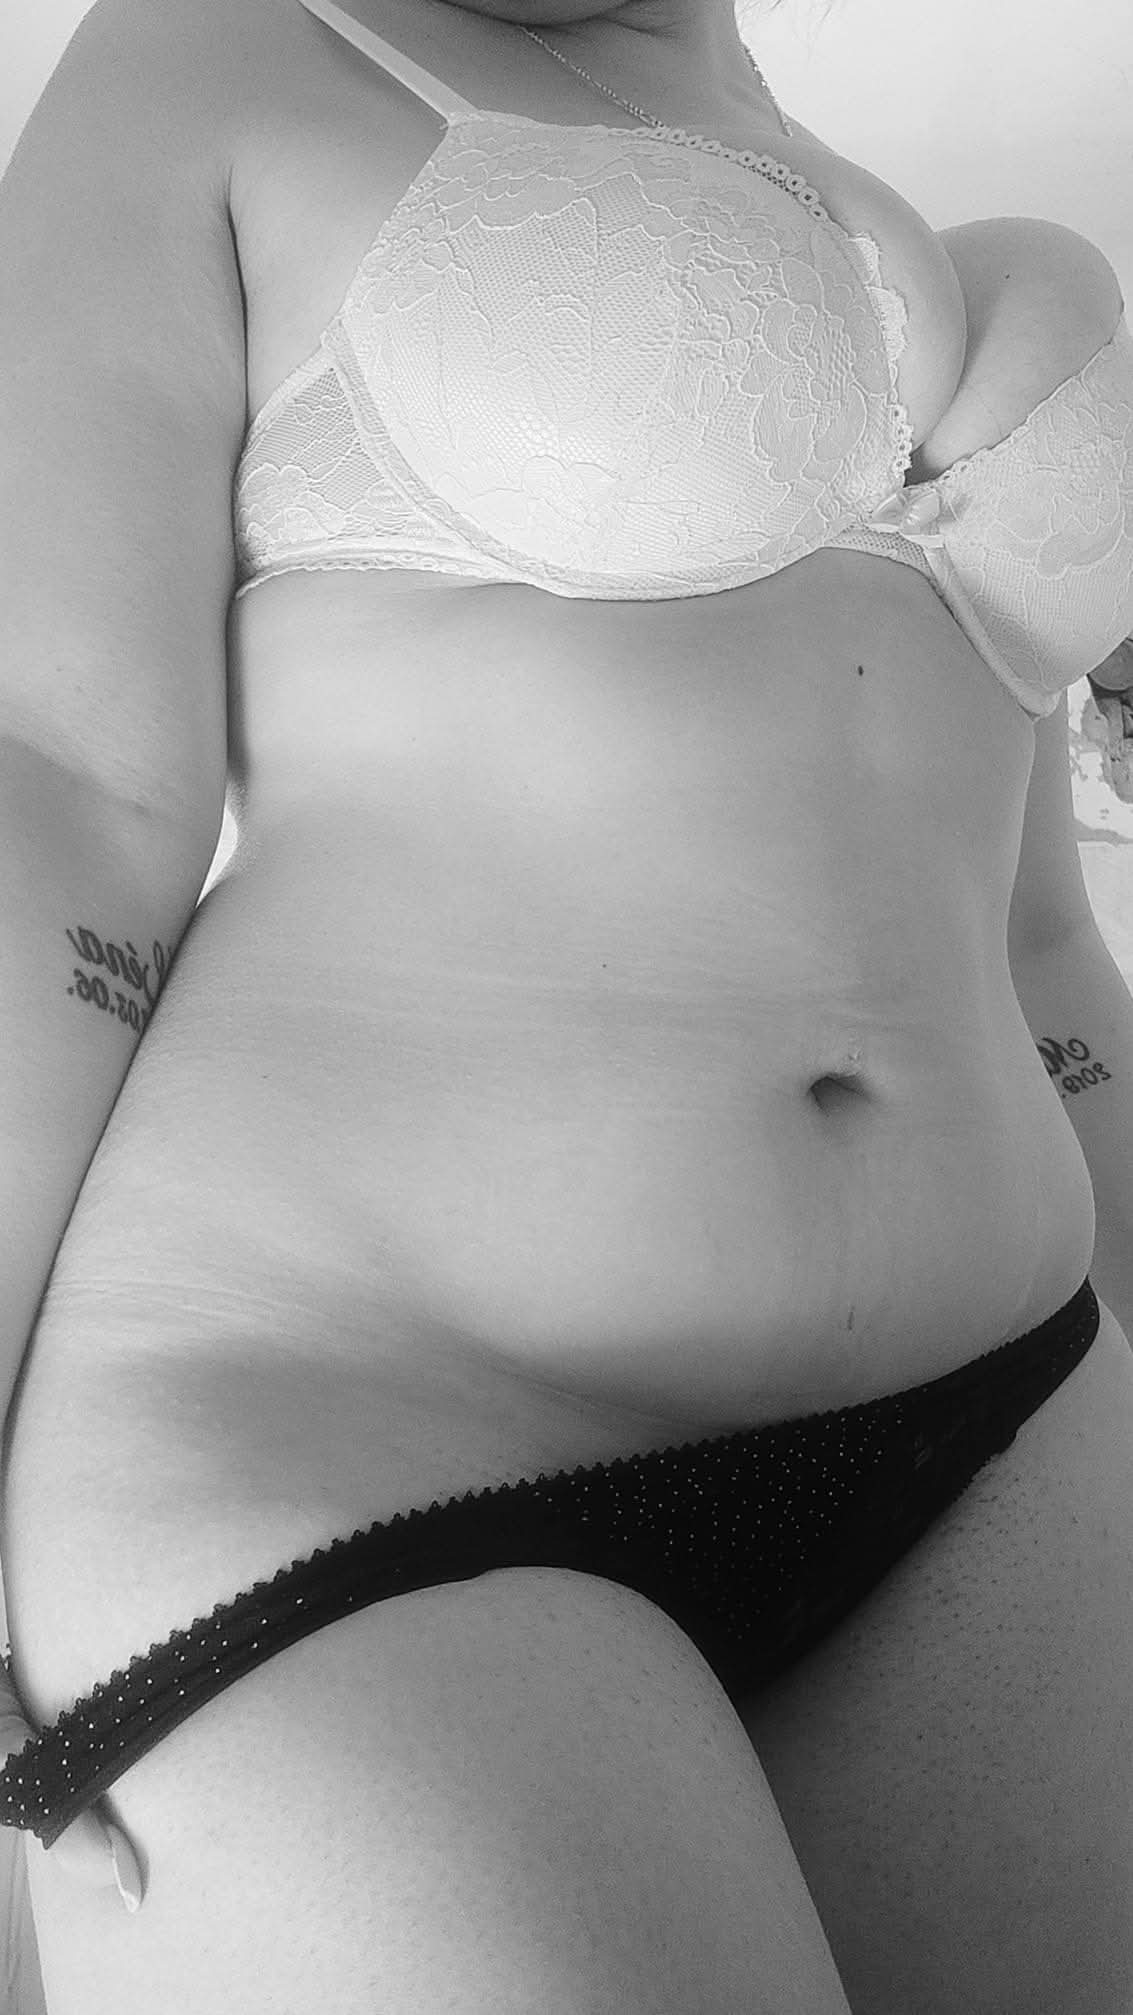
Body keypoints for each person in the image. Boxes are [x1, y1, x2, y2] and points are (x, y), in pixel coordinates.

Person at [1, 0, 1132, 2006]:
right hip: (359, 1424)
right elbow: (73, 803)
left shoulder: (862, 207)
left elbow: (1036, 942)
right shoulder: (223, 56)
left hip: (1008, 1394)